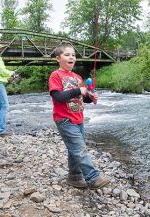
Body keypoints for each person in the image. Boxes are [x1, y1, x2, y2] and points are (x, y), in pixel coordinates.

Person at [48, 43, 110, 189]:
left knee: (74, 149)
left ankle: (74, 177)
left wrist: (90, 96)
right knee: (79, 149)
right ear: (58, 58)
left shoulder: (77, 77)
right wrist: (78, 91)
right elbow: (58, 96)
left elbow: (84, 98)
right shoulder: (55, 75)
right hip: (64, 119)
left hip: (78, 119)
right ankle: (93, 178)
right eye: (67, 55)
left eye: (73, 55)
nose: (71, 57)